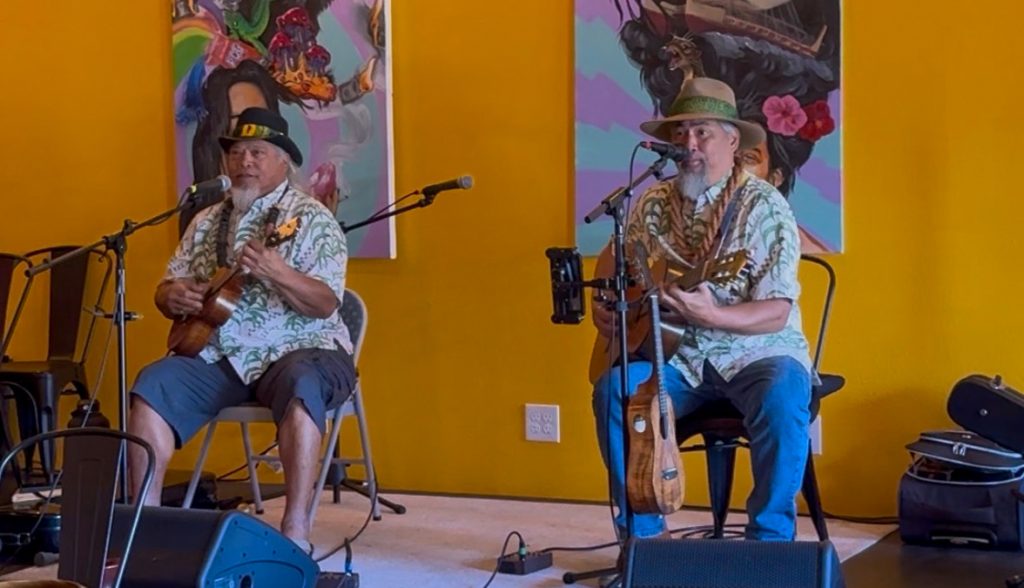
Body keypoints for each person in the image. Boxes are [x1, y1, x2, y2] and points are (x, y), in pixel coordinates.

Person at [590, 77, 813, 542]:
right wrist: (607, 307)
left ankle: (769, 545)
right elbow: (617, 258)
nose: (688, 144)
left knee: (784, 390)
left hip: (757, 352)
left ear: (733, 141)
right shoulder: (652, 202)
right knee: (613, 389)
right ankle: (645, 542)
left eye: (702, 132)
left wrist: (715, 316)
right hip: (675, 357)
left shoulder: (765, 207)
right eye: (680, 133)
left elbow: (775, 310)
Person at [127, 107, 355, 551]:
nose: (244, 161)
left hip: (302, 349)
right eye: (236, 152)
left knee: (302, 384)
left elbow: (326, 302)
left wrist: (278, 271)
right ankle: (143, 528)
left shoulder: (312, 219)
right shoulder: (207, 220)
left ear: (283, 162)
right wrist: (171, 296)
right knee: (152, 384)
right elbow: (169, 285)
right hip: (220, 354)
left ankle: (294, 532)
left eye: (257, 152)